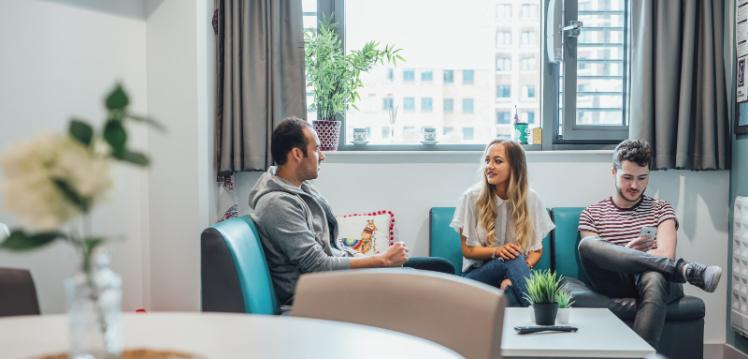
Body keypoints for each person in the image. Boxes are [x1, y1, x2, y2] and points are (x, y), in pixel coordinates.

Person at [248, 117, 454, 306]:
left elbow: (330, 251)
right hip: (316, 293)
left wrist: (378, 261)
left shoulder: (301, 189)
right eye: (317, 149)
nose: (323, 156)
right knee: (425, 288)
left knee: (440, 268)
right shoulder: (277, 204)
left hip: (334, 282)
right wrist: (381, 260)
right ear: (297, 154)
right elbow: (317, 265)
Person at [577, 139, 722, 350]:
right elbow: (594, 258)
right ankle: (685, 270)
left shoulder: (661, 209)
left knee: (654, 275)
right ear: (613, 172)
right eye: (627, 177)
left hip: (656, 281)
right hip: (615, 280)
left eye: (642, 178)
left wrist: (636, 260)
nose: (635, 185)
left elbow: (665, 255)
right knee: (587, 245)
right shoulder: (592, 213)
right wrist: (626, 252)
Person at [450, 139, 554, 306]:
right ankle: (544, 317)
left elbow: (536, 251)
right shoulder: (471, 197)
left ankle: (520, 327)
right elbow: (467, 250)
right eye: (487, 161)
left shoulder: (531, 199)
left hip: (518, 270)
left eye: (497, 161)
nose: (489, 166)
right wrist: (498, 251)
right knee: (512, 257)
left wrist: (513, 274)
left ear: (515, 166)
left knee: (510, 292)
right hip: (477, 276)